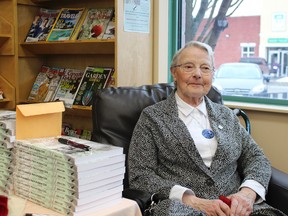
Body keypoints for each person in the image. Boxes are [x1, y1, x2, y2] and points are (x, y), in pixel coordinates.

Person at [128, 41, 286, 216]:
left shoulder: (226, 116)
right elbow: (140, 175)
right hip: (183, 209)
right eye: (189, 67)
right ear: (174, 72)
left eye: (205, 68)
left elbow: (256, 157)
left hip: (237, 208)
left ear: (212, 75)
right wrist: (191, 200)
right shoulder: (152, 117)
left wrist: (247, 194)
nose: (197, 74)